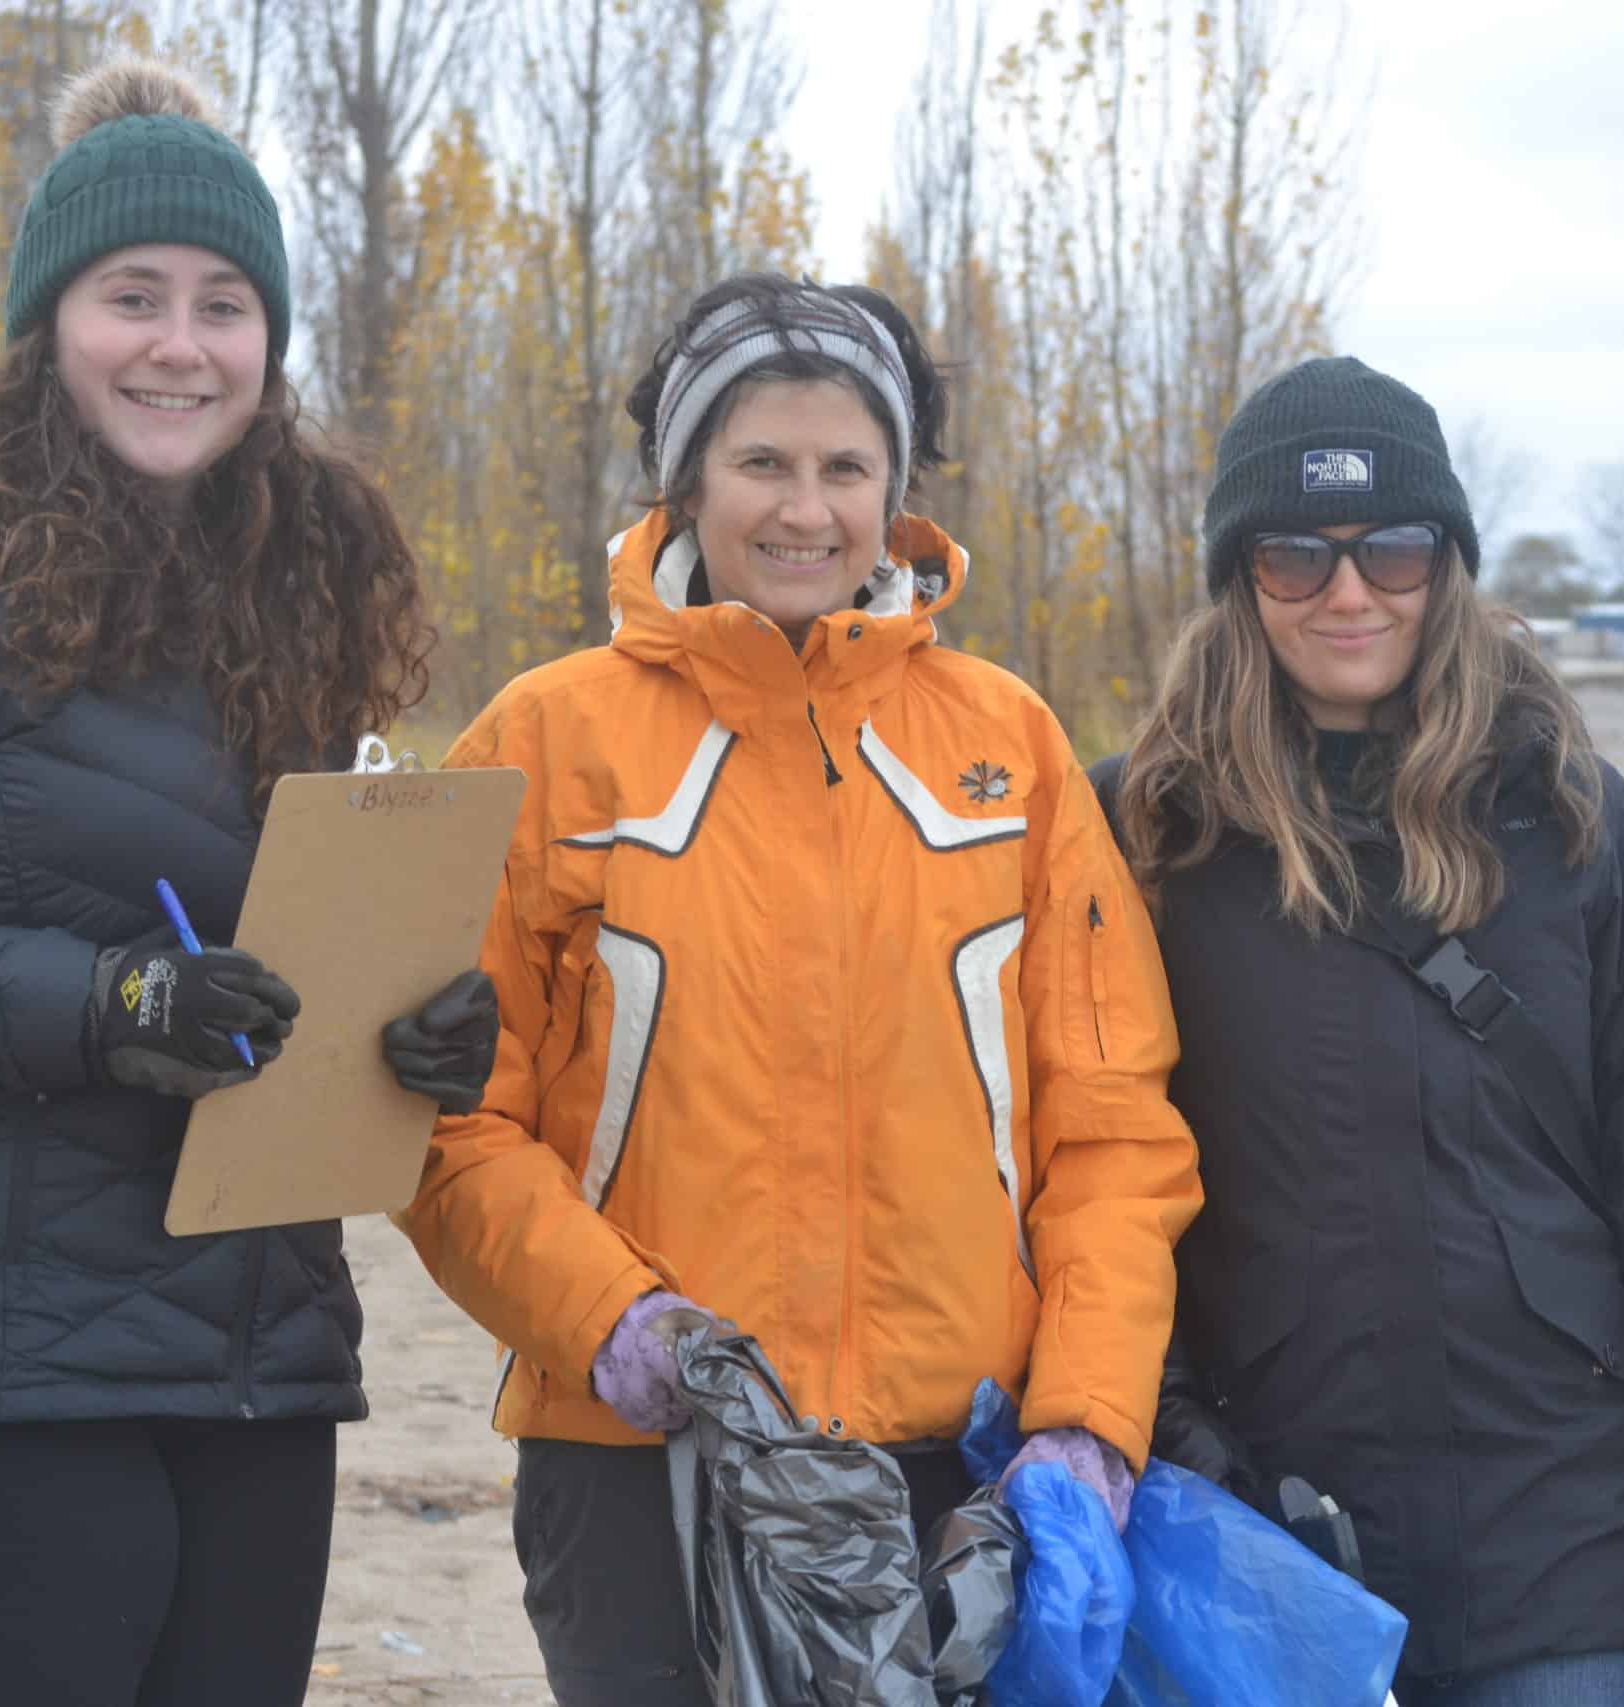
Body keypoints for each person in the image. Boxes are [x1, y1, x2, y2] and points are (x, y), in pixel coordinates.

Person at [0, 59, 496, 1707]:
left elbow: (269, 953)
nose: (181, 344)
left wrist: (414, 1033)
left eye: (224, 304)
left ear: (270, 348)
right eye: (134, 297)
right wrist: (109, 1004)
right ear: (50, 322)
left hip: (249, 1347)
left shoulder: (289, 602)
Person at [392, 272, 1202, 1704]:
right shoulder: (544, 740)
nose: (804, 510)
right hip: (633, 1471)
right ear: (687, 480)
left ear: (897, 496)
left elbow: (1112, 1129)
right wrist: (612, 1321)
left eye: (847, 469)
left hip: (955, 1476)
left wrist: (1085, 1420)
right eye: (760, 461)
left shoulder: (1007, 745)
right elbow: (445, 1123)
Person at [1098, 357, 1624, 1707]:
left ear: (1447, 564)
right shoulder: (1142, 837)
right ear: (1241, 577)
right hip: (1256, 1527)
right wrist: (1171, 1433)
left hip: (1559, 1538)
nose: (1349, 592)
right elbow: (1075, 1166)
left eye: (1391, 550)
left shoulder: (1582, 823)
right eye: (1296, 555)